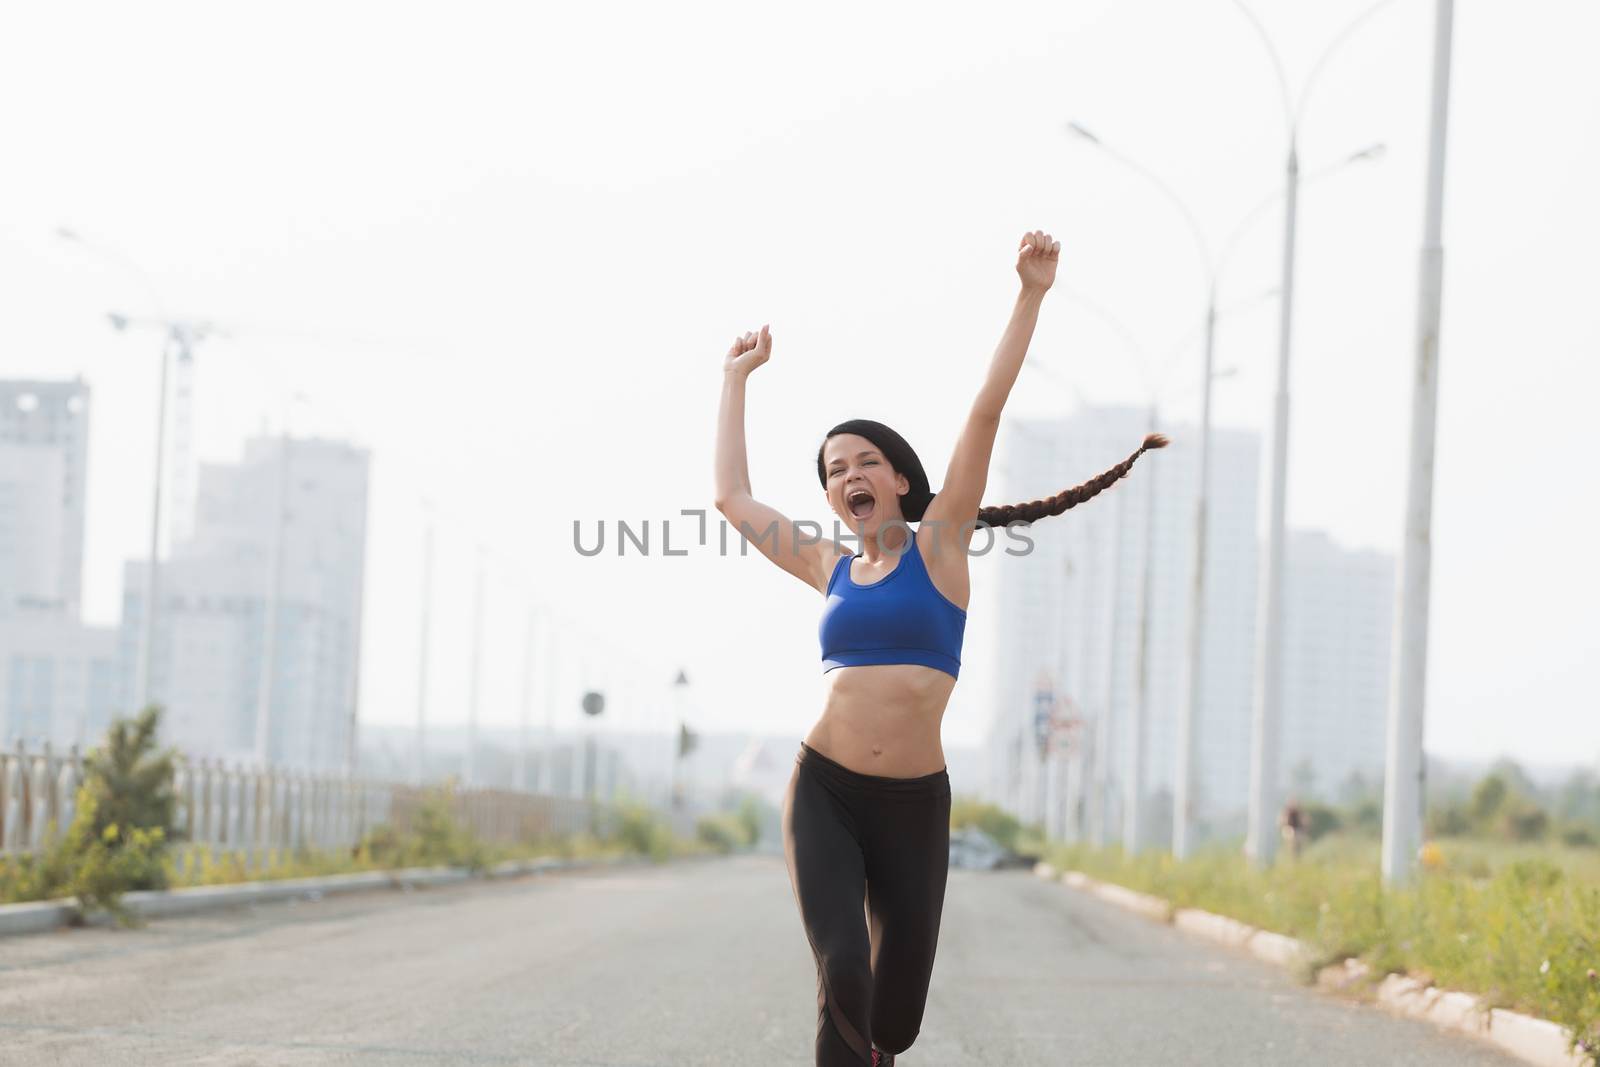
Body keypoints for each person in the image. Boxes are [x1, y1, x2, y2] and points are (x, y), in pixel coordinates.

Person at [713, 230, 1168, 1066]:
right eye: (833, 468)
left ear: (898, 480)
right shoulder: (829, 565)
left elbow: (984, 411)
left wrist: (1030, 295)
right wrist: (735, 379)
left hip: (914, 805)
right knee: (842, 967)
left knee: (896, 1021)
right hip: (824, 790)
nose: (848, 474)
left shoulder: (943, 546)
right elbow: (732, 496)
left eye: (866, 461)